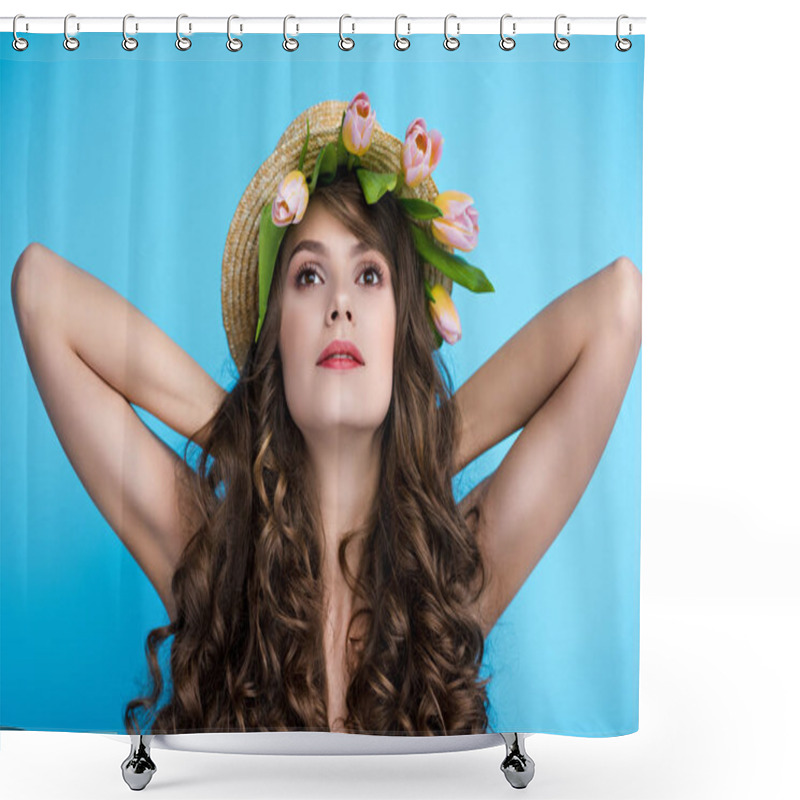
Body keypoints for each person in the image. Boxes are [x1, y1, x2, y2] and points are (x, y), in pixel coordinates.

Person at [9, 93, 642, 737]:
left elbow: (617, 306)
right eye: (309, 276)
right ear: (276, 340)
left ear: (402, 337)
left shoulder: (452, 571)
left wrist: (417, 453)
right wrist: (246, 429)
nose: (340, 302)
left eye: (369, 275)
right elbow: (39, 291)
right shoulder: (212, 553)